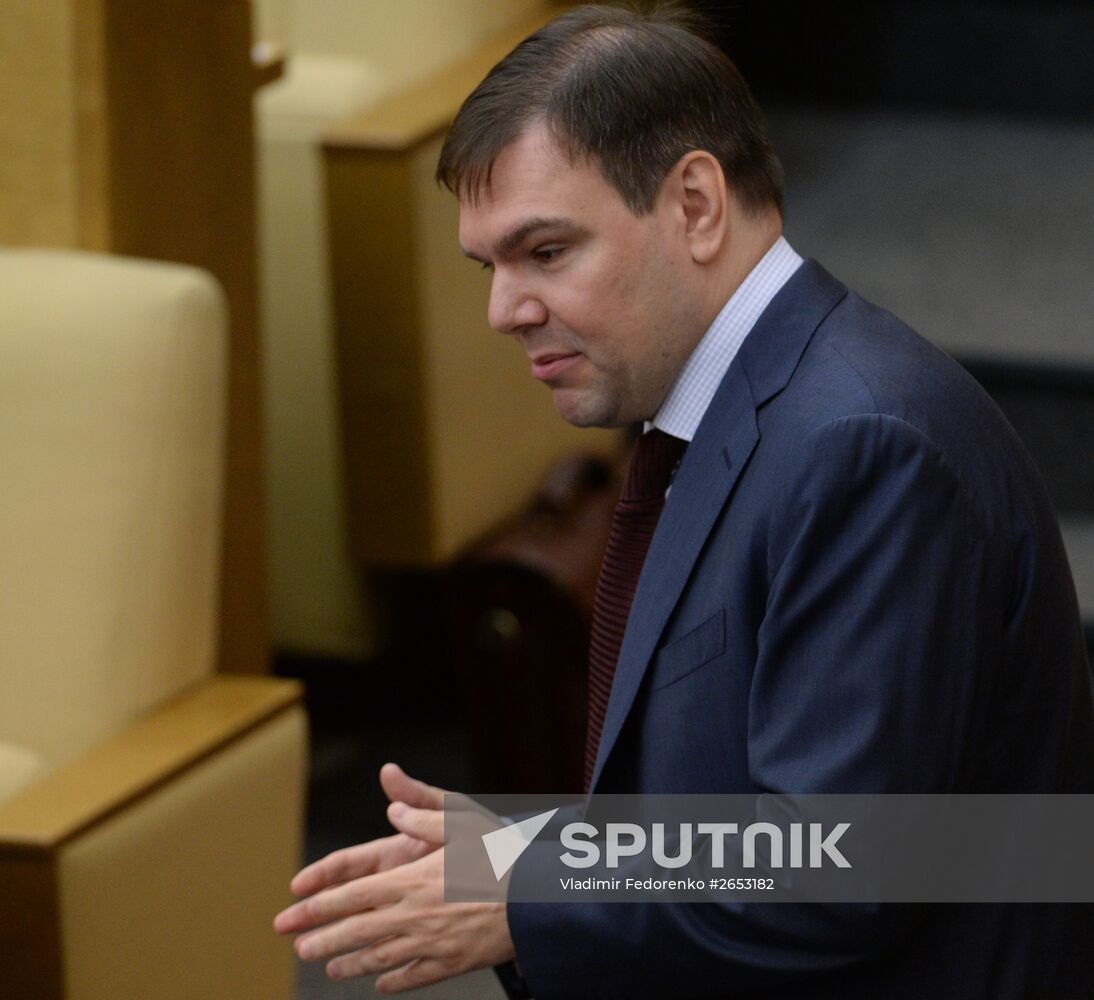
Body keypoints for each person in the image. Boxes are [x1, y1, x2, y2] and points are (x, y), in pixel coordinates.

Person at [274, 5, 1094, 997]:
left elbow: (833, 866)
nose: (503, 311)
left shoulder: (866, 448)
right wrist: (529, 855)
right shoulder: (729, 413)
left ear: (696, 205)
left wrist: (534, 889)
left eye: (546, 252)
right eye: (489, 266)